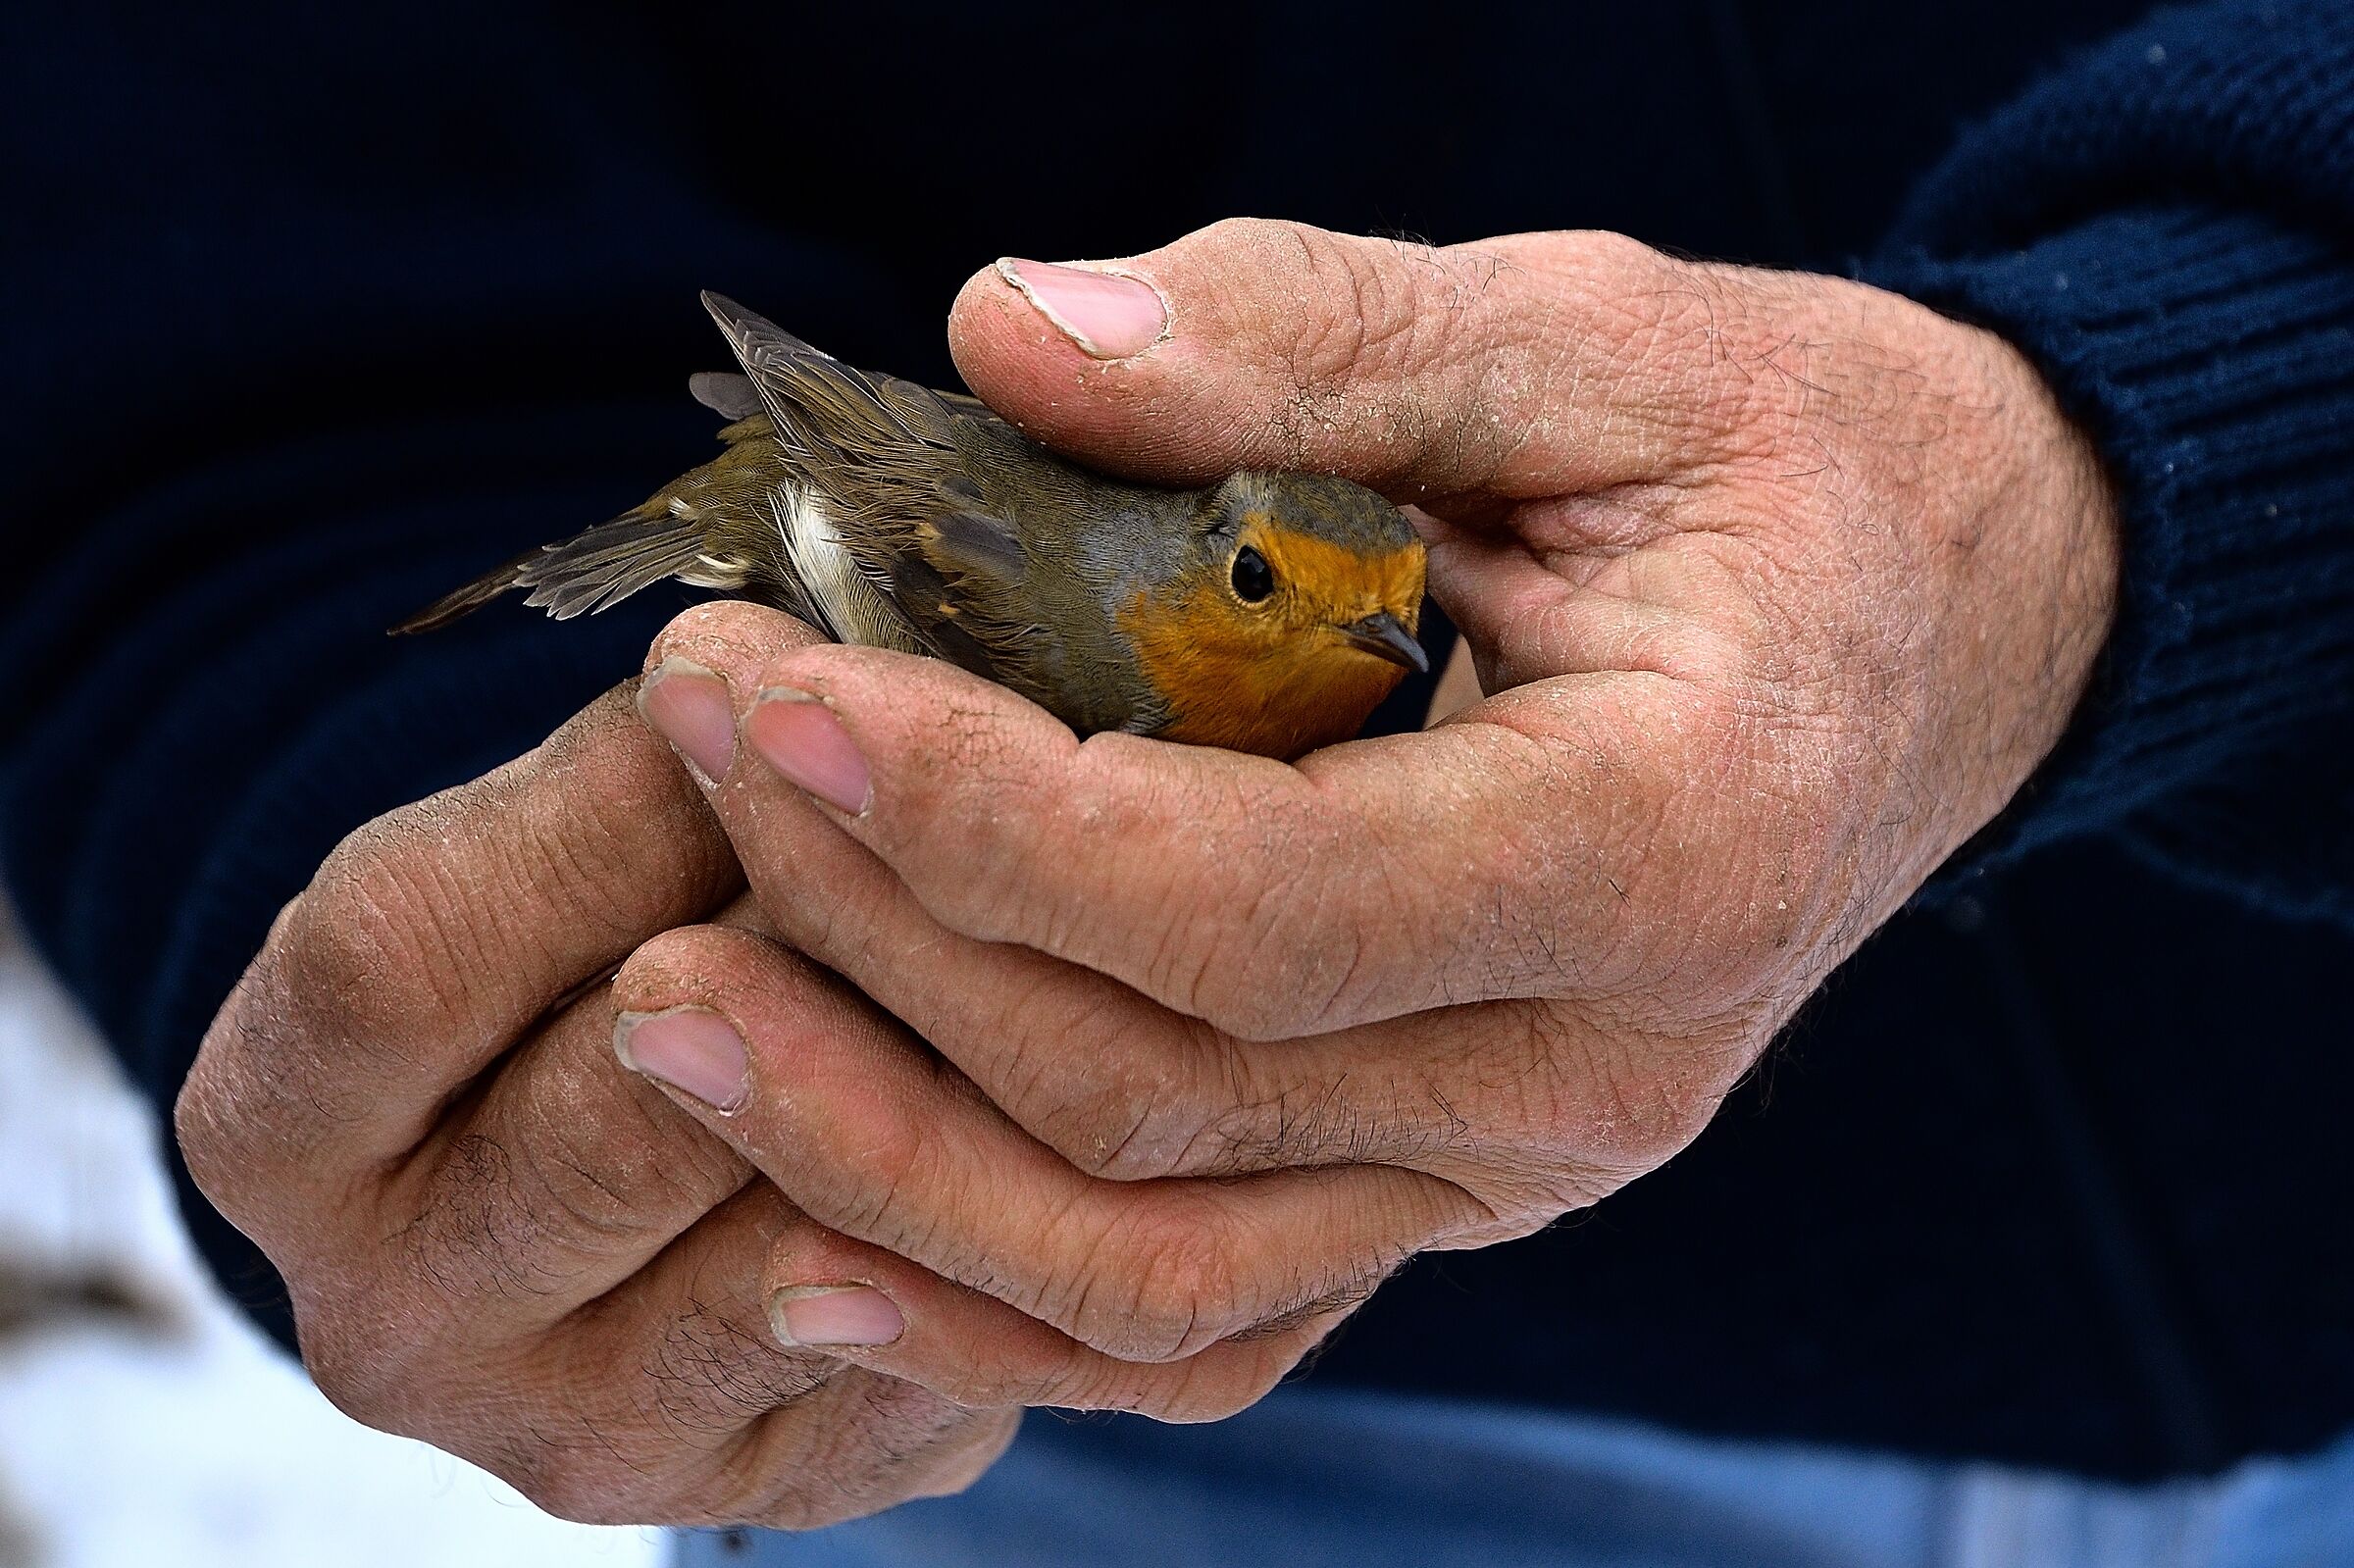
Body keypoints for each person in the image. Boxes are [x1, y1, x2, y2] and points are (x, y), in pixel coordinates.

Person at [3, 1, 2349, 1563]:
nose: (1359, 645)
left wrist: (2183, 436)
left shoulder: (1309, 663)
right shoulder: (1084, 632)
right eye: (1291, 595)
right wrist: (450, 903)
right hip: (1120, 1412)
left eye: (1381, 615)